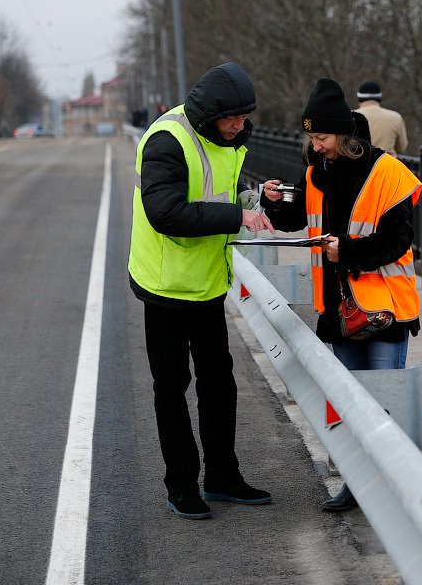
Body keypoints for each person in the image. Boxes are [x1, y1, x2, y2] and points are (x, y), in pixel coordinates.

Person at [262, 78, 422, 512]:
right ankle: (358, 486)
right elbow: (296, 219)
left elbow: (398, 241)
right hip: (338, 310)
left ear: (345, 136)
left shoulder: (387, 172)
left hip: (384, 310)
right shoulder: (317, 172)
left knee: (382, 406)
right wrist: (273, 200)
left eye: (323, 138)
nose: (316, 147)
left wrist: (347, 252)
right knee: (350, 406)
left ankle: (394, 493)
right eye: (311, 139)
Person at [128, 62, 276, 520]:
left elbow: (218, 191)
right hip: (166, 285)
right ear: (211, 113)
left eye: (245, 117)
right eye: (233, 117)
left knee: (219, 383)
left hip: (209, 282)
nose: (240, 125)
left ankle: (223, 477)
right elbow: (166, 214)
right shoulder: (167, 141)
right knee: (172, 388)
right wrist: (237, 217)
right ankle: (181, 486)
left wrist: (254, 199)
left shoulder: (227, 138)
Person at [354, 81, 408, 157]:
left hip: (359, 162)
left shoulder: (351, 116)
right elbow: (402, 147)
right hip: (386, 161)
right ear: (379, 98)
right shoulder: (395, 117)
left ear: (359, 98)